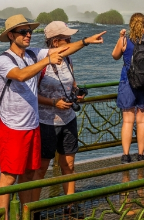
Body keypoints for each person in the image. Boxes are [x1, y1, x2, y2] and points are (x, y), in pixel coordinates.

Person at [0, 15, 66, 215]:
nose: (28, 35)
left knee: (28, 174)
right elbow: (21, 75)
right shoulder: (3, 60)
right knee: (9, 177)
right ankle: (4, 216)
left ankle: (26, 215)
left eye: (30, 32)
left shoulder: (32, 54)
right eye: (23, 32)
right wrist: (47, 61)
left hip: (32, 125)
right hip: (12, 126)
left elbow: (61, 50)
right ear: (11, 35)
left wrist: (86, 41)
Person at [32, 22, 105, 206]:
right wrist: (53, 102)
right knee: (41, 169)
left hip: (68, 120)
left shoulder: (68, 60)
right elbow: (31, 93)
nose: (70, 42)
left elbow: (72, 85)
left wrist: (77, 95)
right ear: (56, 42)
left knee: (69, 166)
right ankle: (32, 209)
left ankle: (70, 207)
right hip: (45, 122)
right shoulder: (40, 63)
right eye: (67, 39)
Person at [111, 13, 144, 163]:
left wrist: (120, 38)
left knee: (127, 121)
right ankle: (141, 153)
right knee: (142, 120)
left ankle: (126, 155)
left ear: (130, 24)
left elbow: (115, 56)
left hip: (128, 82)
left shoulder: (124, 40)